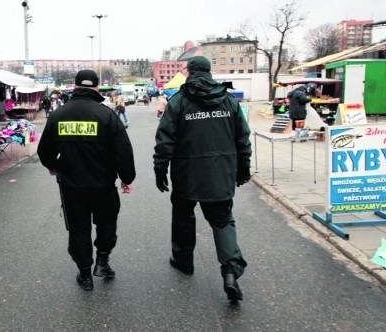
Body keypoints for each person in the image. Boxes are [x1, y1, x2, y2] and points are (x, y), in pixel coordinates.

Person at [153, 56, 251, 303]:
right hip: (221, 173)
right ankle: (230, 272)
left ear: (188, 73)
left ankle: (184, 261)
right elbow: (243, 139)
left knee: (183, 218)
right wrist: (243, 168)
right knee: (223, 221)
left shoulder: (179, 103)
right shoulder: (228, 100)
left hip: (186, 174)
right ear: (209, 72)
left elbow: (165, 141)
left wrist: (160, 169)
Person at [37, 69, 136, 291]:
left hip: (72, 186)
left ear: (75, 86)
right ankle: (102, 262)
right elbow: (122, 150)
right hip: (103, 185)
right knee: (106, 223)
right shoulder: (106, 115)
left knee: (79, 228)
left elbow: (44, 150)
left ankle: (85, 273)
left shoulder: (59, 115)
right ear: (97, 88)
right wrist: (126, 178)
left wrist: (53, 166)